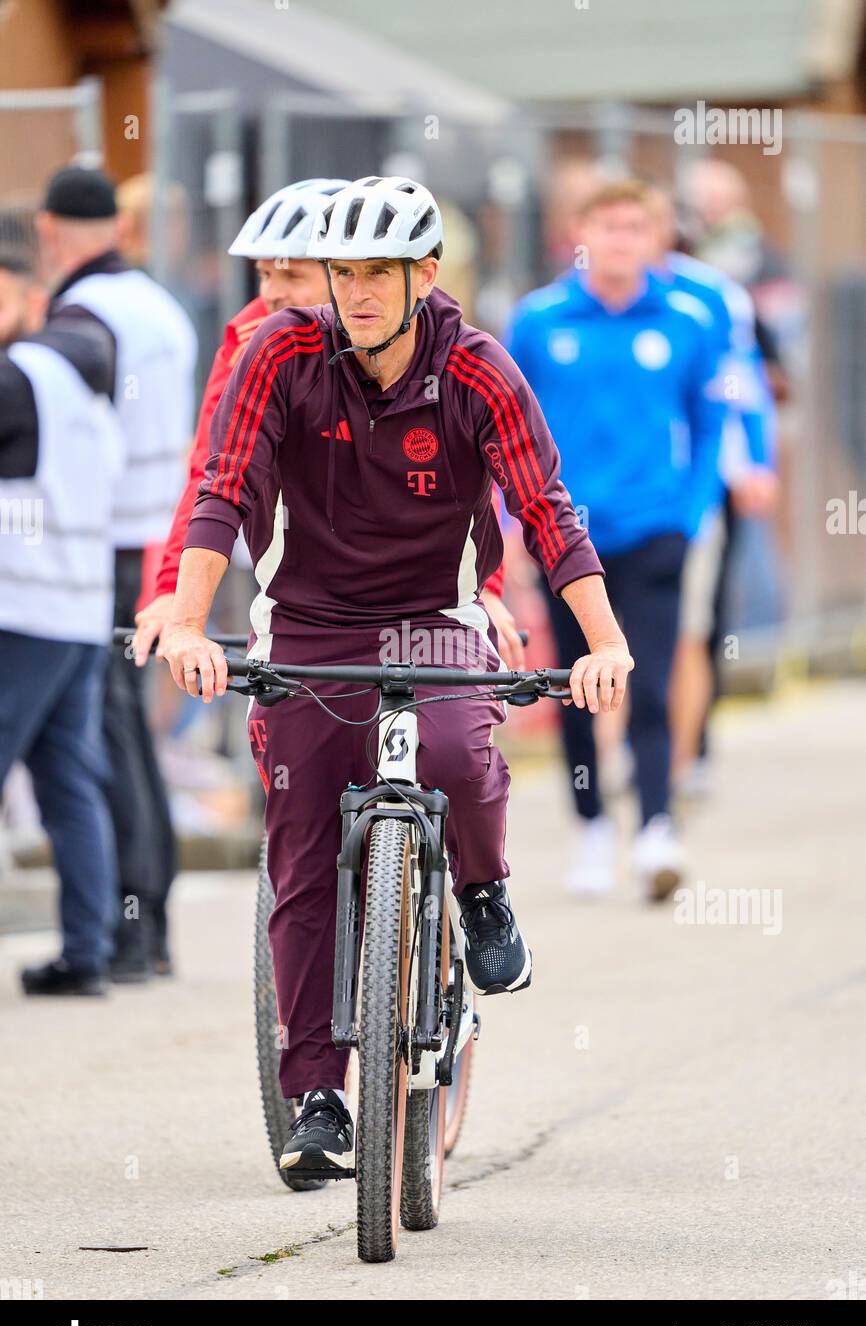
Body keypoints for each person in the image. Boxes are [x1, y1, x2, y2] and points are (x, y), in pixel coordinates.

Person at [156, 175, 633, 1175]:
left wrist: (602, 642)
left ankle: (485, 891)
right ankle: (318, 1095)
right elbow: (219, 487)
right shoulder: (277, 353)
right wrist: (190, 620)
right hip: (307, 624)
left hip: (435, 618)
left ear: (424, 273)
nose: (355, 289)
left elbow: (547, 507)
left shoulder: (479, 369)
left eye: (378, 270)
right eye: (341, 271)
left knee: (460, 750)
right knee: (298, 843)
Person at [133, 176, 522, 668]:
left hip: (419, 600)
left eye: (292, 277)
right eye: (263, 275)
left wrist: (487, 591)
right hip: (302, 588)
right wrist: (173, 592)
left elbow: (465, 482)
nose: (272, 295)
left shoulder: (426, 345)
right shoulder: (252, 342)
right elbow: (209, 476)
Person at [506, 179, 725, 901]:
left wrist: (692, 508)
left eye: (636, 226)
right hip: (566, 535)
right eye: (608, 225)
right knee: (576, 681)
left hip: (656, 527)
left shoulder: (688, 319)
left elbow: (708, 420)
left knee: (653, 679)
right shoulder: (539, 320)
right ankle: (592, 824)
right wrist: (513, 523)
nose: (621, 240)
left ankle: (658, 826)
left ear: (656, 236)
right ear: (582, 232)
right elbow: (508, 424)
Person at [36, 165, 198, 981]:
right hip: (156, 533)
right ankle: (146, 916)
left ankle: (134, 919)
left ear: (48, 229)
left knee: (107, 728)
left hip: (103, 542)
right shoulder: (156, 305)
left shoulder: (84, 313)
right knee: (123, 724)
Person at [0, 252, 123, 996]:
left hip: (22, 604)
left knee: (65, 777)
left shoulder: (17, 376)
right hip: (80, 606)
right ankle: (88, 949)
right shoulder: (81, 380)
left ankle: (89, 947)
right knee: (70, 779)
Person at [647, 190, 778, 791]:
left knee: (701, 616)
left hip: (708, 474)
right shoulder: (586, 295)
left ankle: (692, 747)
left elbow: (743, 380)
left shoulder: (713, 296)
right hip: (627, 485)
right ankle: (633, 748)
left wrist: (757, 460)